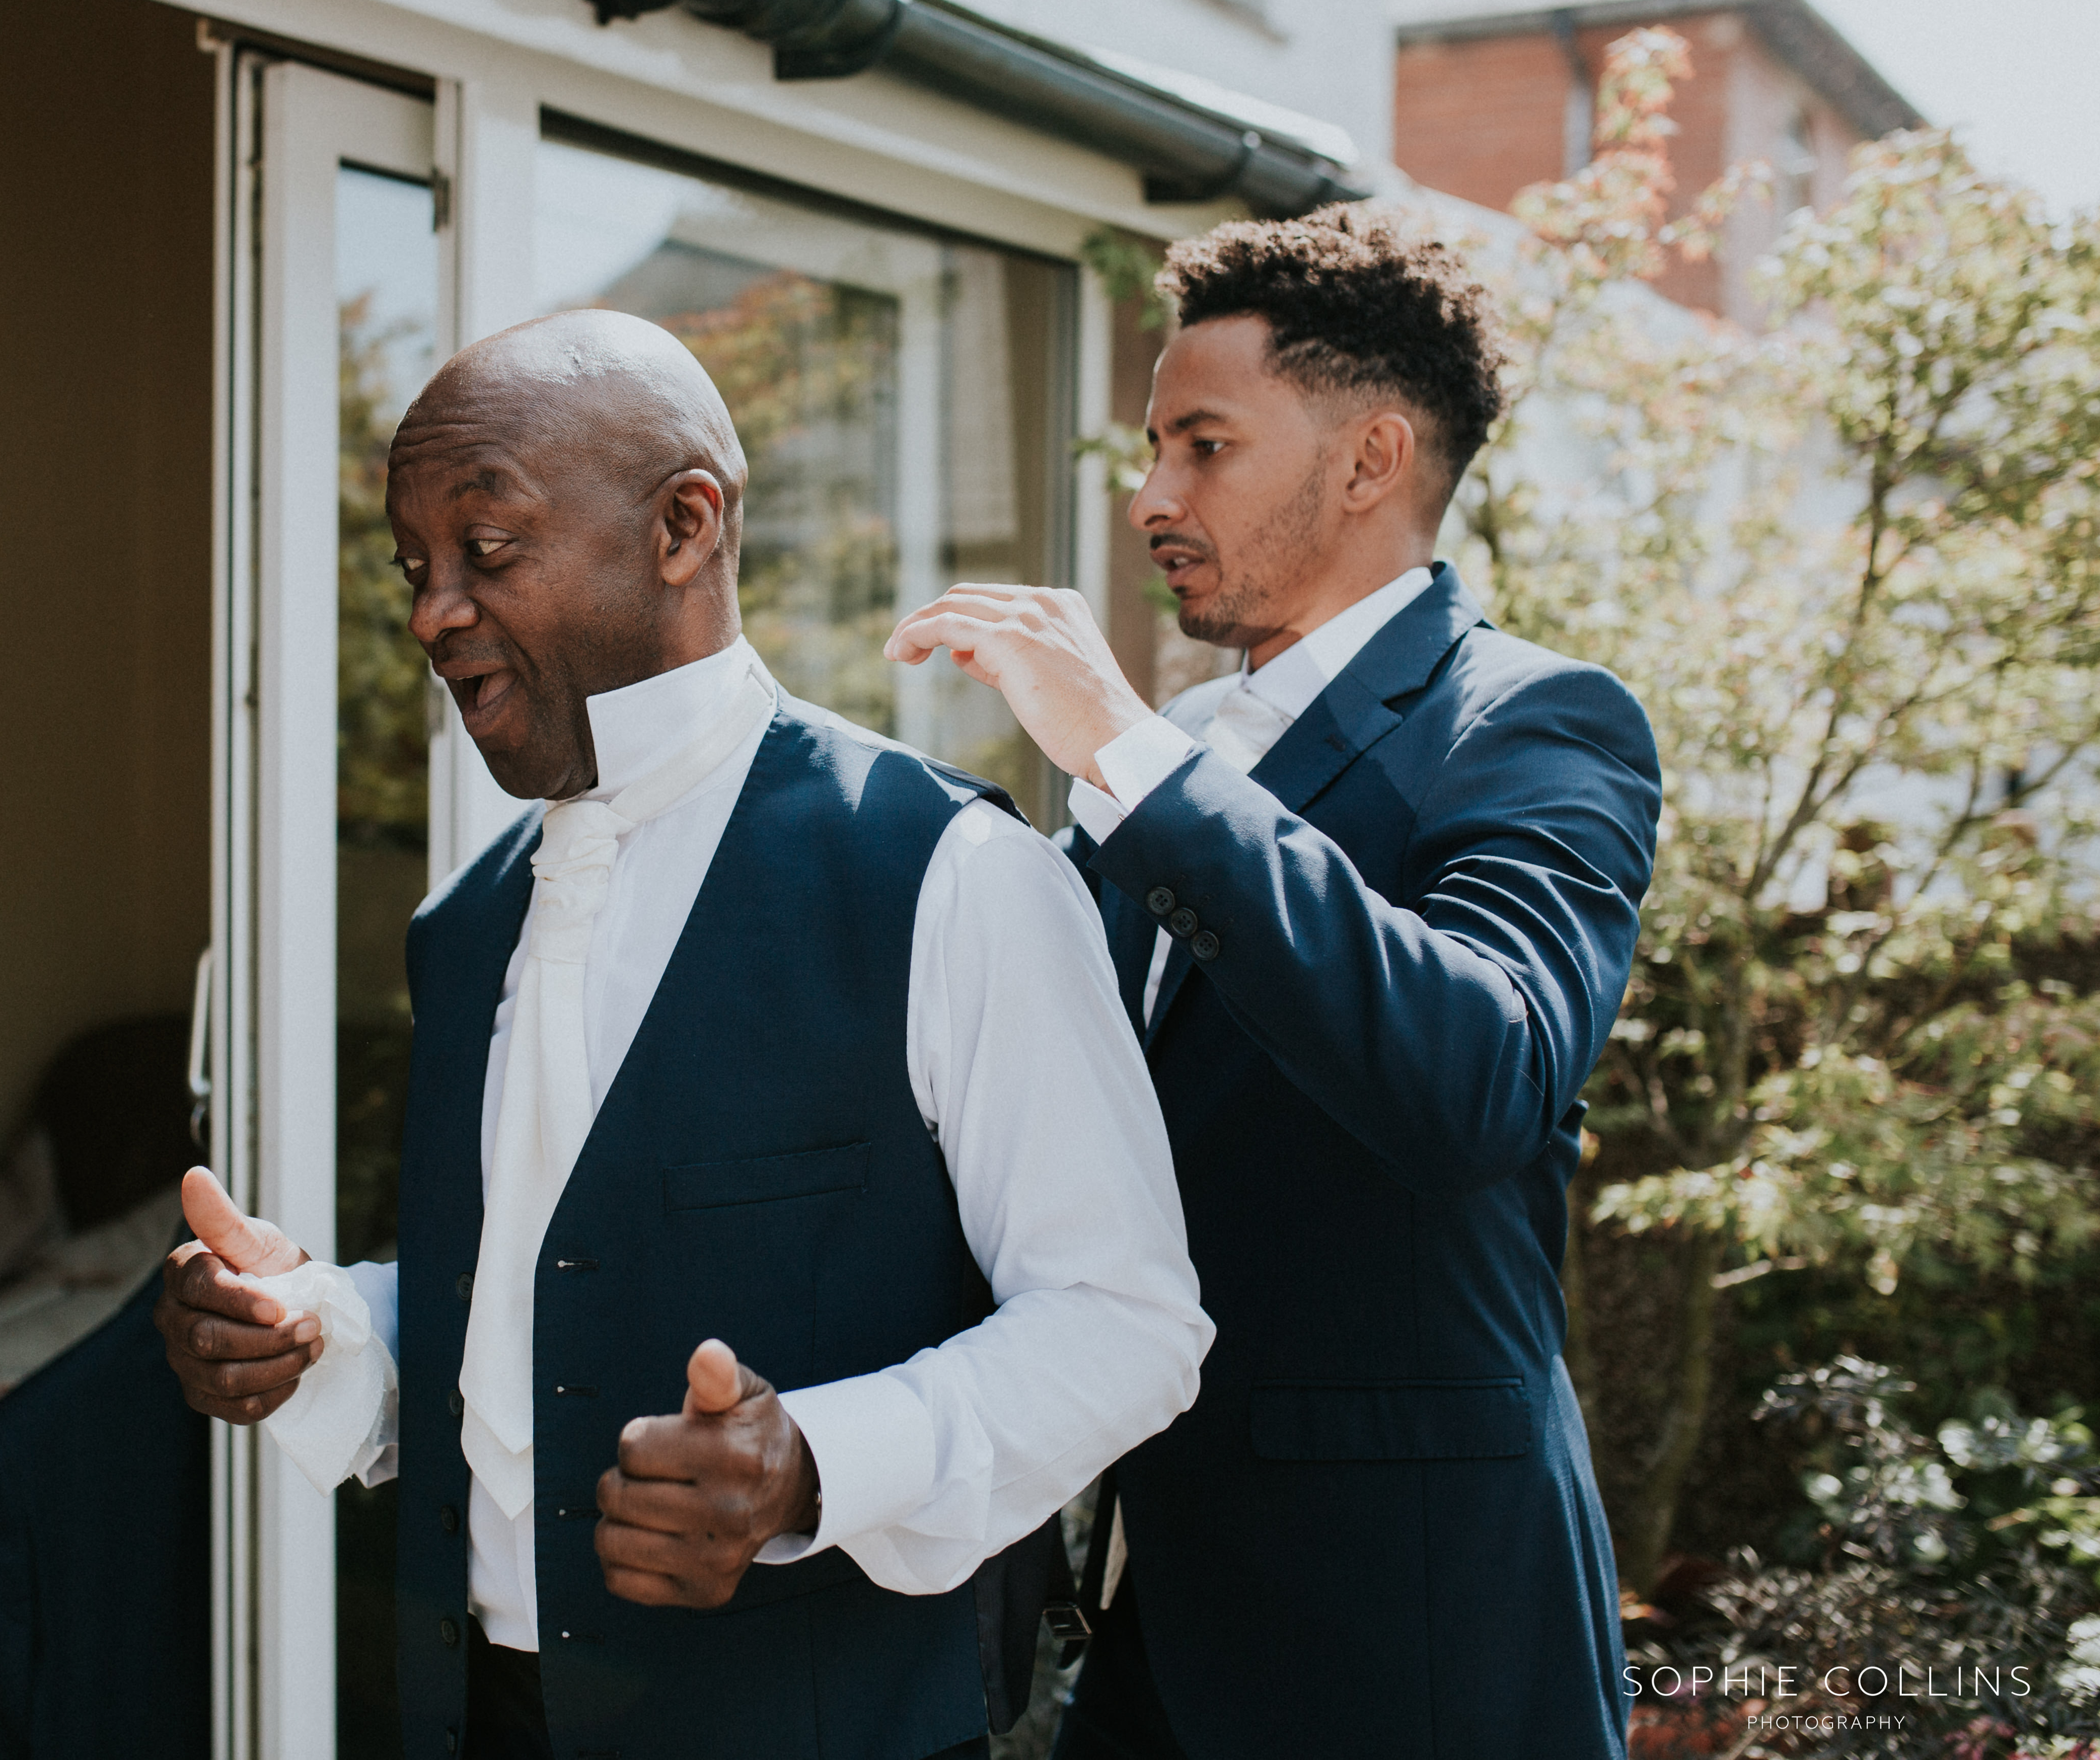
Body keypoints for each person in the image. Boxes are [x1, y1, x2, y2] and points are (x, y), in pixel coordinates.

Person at [156, 309, 1210, 1760]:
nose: (431, 612)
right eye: (415, 570)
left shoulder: (949, 879)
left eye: (489, 548)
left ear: (682, 527)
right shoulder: (469, 929)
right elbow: (547, 1293)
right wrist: (324, 1331)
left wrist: (815, 1466)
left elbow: (1129, 1324)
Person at [887, 208, 1658, 1759]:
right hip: (1149, 1623)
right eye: (1154, 449)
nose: (1153, 497)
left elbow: (1481, 1078)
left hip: (1411, 1635)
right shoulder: (1174, 768)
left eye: (1205, 446)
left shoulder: (1537, 725)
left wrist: (1134, 759)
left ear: (1371, 460)